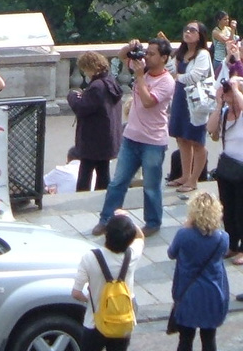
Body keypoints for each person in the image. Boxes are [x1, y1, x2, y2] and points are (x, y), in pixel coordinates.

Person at [93, 35, 176, 239]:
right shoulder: (143, 67)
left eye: (152, 54)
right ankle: (106, 219)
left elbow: (148, 102)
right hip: (131, 137)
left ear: (164, 57)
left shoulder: (166, 81)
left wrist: (139, 76)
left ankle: (153, 222)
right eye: (147, 52)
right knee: (118, 182)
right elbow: (121, 56)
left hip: (153, 141)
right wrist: (129, 47)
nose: (147, 57)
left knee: (151, 186)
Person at [71, 210, 143, 351]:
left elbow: (76, 293)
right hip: (122, 321)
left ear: (106, 234)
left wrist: (89, 299)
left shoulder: (90, 257)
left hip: (95, 323)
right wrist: (126, 219)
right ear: (130, 239)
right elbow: (141, 237)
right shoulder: (132, 255)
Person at [206, 74, 243, 266]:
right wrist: (219, 103)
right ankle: (232, 244)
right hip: (228, 166)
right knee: (227, 208)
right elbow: (210, 128)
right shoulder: (224, 112)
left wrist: (237, 90)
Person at [167, 191, 229, 351]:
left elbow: (171, 253)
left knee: (185, 339)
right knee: (209, 339)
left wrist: (185, 227)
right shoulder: (223, 238)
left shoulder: (184, 235)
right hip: (213, 293)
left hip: (188, 294)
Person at [68, 50, 124, 193]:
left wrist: (72, 96)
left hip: (93, 139)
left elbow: (82, 108)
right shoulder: (111, 82)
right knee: (103, 171)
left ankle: (81, 201)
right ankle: (102, 198)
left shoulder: (97, 86)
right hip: (107, 138)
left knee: (85, 173)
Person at [170, 21, 215, 192]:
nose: (187, 32)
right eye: (186, 29)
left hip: (196, 102)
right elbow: (170, 69)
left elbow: (195, 76)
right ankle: (184, 175)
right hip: (180, 98)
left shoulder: (202, 54)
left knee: (196, 140)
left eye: (192, 30)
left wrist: (178, 77)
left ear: (200, 35)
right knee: (181, 137)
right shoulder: (181, 53)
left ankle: (194, 179)